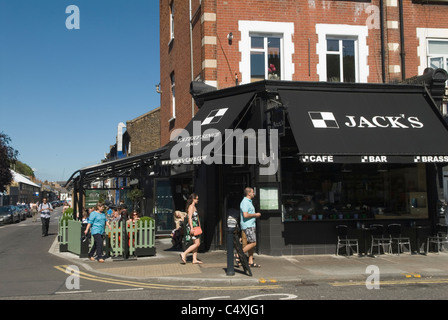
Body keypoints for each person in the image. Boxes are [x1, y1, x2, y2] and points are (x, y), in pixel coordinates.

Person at [240, 187, 261, 267]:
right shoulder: (245, 202)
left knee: (250, 244)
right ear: (248, 193)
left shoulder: (249, 201)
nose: (254, 193)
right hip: (248, 225)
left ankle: (250, 261)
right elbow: (245, 215)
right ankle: (238, 255)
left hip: (251, 225)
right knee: (253, 243)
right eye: (252, 192)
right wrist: (255, 215)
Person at [180, 193, 203, 264]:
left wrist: (199, 225)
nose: (198, 200)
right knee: (197, 243)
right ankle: (184, 253)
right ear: (193, 199)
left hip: (196, 226)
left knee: (195, 243)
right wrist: (191, 228)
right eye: (197, 199)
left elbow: (197, 217)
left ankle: (194, 259)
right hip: (193, 227)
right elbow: (189, 218)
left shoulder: (194, 207)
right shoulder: (191, 207)